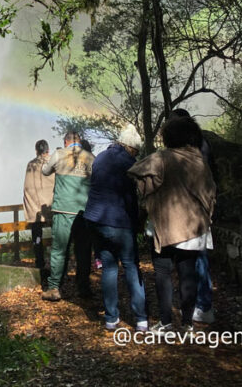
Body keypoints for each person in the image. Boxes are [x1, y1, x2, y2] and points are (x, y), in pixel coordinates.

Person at [128, 116, 216, 335]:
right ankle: (187, 324)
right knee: (188, 276)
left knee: (162, 274)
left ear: (168, 137)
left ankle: (165, 323)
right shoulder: (199, 162)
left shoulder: (161, 158)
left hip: (163, 227)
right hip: (193, 228)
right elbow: (210, 194)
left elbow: (136, 171)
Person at [84, 124, 148, 331]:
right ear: (131, 147)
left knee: (109, 268)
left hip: (95, 220)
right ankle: (141, 319)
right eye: (136, 151)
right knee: (130, 265)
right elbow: (132, 197)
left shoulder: (101, 157)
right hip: (118, 221)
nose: (136, 154)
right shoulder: (129, 163)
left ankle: (111, 318)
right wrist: (137, 221)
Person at [170, 108, 216, 324]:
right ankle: (202, 305)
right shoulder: (202, 143)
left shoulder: (192, 148)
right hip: (201, 210)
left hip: (190, 212)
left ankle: (201, 305)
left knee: (195, 259)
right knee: (199, 258)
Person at [41, 131, 94, 301]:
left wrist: (44, 161)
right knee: (84, 251)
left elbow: (45, 171)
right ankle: (84, 288)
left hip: (63, 210)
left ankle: (54, 288)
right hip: (84, 213)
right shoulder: (91, 157)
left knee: (59, 250)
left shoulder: (59, 154)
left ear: (66, 142)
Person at [23, 139, 55, 274]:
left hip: (35, 207)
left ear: (36, 150)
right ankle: (56, 264)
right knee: (57, 236)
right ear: (47, 150)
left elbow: (27, 188)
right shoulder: (53, 163)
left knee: (37, 236)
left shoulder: (31, 165)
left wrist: (30, 206)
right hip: (52, 206)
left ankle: (40, 263)